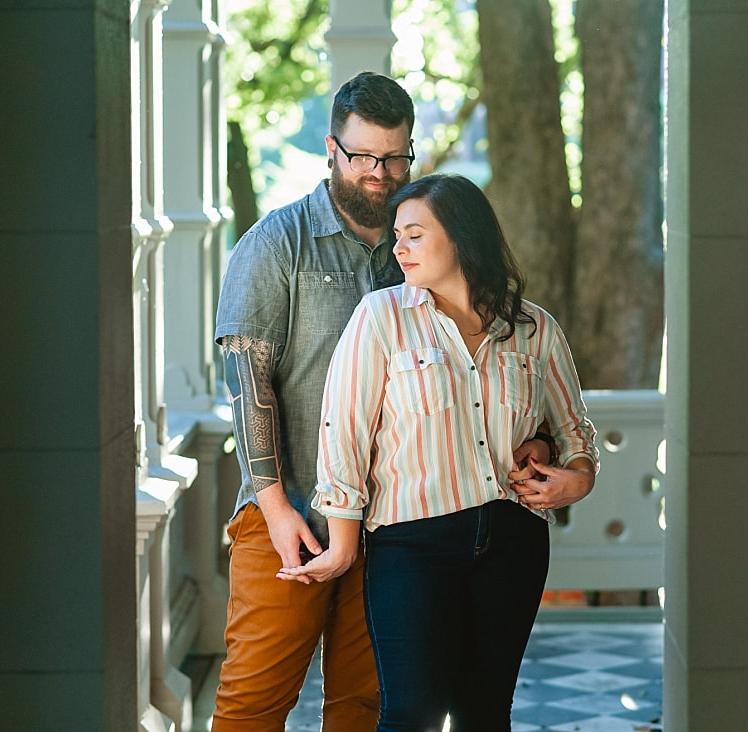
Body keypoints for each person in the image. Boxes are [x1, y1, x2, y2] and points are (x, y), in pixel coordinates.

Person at [212, 73, 550, 731]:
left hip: (394, 530)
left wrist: (532, 443)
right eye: (364, 156)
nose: (380, 172)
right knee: (253, 702)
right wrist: (278, 509)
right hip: (288, 515)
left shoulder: (421, 249)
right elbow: (247, 384)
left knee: (366, 709)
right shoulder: (277, 245)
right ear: (332, 151)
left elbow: (478, 367)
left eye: (396, 157)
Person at [279, 173, 599, 731]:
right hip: (410, 546)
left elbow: (575, 433)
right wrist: (343, 544)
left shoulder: (534, 330)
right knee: (410, 714)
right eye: (398, 236)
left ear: (463, 238)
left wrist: (576, 480)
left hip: (513, 542)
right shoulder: (381, 318)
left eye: (415, 235)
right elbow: (345, 432)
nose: (399, 248)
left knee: (484, 714)